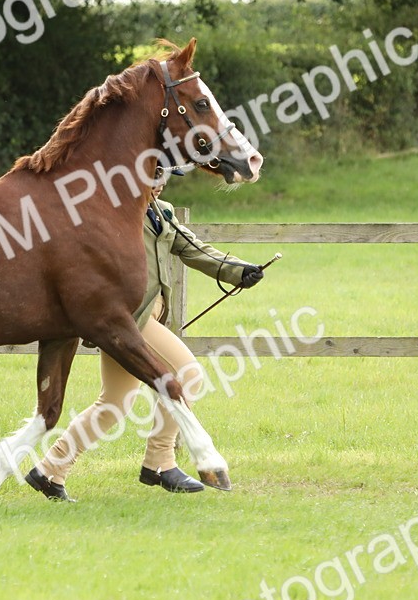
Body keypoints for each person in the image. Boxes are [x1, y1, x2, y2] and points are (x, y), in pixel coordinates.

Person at [25, 169, 263, 501]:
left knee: (114, 403)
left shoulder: (162, 211)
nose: (161, 181)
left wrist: (238, 270)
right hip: (129, 320)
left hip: (143, 318)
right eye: (155, 174)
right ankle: (160, 462)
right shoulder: (113, 214)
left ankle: (49, 471)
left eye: (165, 175)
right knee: (186, 374)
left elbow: (194, 248)